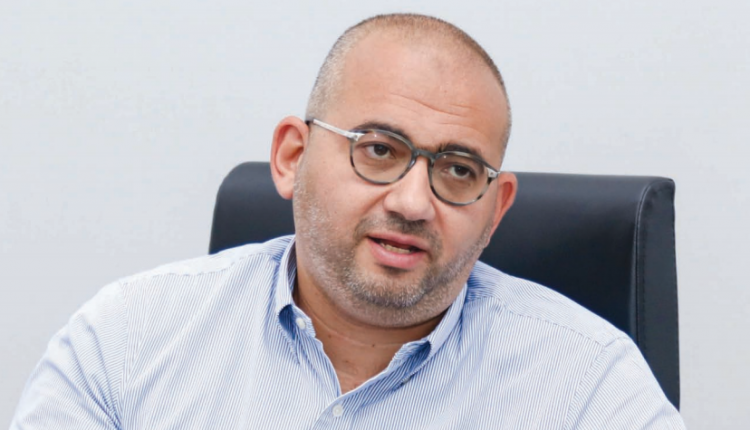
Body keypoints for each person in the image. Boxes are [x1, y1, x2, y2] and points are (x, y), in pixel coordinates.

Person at [10, 13, 686, 429]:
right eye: (379, 151)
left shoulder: (587, 387)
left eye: (457, 170)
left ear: (495, 210)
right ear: (292, 157)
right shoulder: (128, 341)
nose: (413, 203)